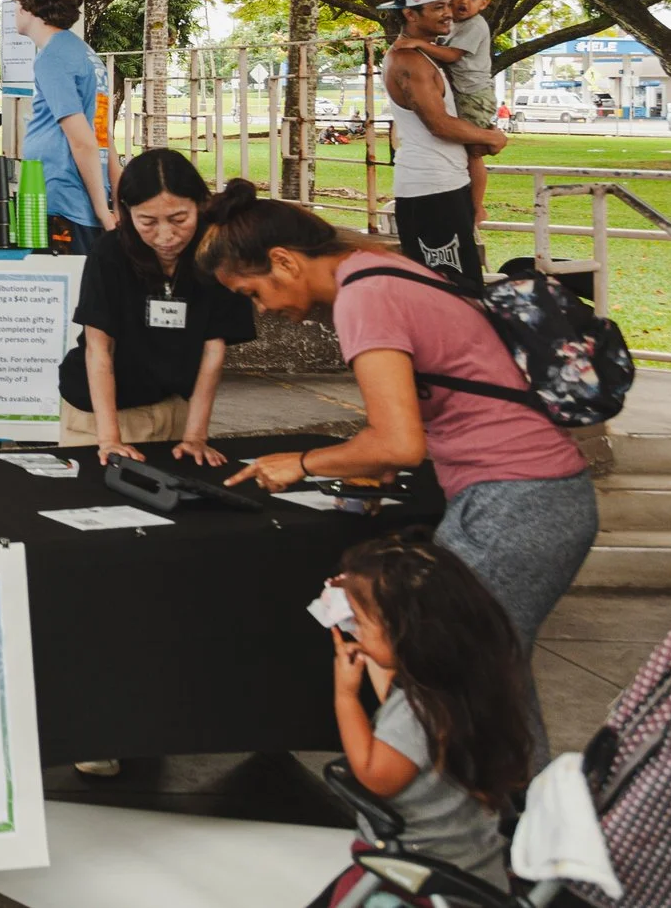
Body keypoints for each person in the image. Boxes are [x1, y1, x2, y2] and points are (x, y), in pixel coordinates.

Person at [207, 182, 594, 759]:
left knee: (458, 676)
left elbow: (397, 442)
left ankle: (491, 825)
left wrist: (303, 462)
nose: (261, 309)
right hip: (535, 495)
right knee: (492, 676)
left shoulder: (364, 296)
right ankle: (528, 825)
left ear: (284, 261)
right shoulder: (380, 268)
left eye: (252, 291)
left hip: (517, 502)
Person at [314, 532, 533, 903]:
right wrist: (353, 604)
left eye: (363, 626)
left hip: (415, 872)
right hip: (472, 862)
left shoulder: (416, 711)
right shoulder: (458, 686)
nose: (358, 635)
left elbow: (376, 776)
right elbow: (392, 682)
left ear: (405, 636)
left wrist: (345, 696)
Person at [61, 147, 250, 466]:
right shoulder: (110, 253)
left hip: (173, 410)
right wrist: (108, 440)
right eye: (147, 221)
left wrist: (196, 437)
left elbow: (213, 350)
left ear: (200, 205)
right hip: (97, 416)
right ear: (126, 212)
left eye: (179, 219)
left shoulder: (219, 253)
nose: (166, 236)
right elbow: (98, 349)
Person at [383, 0, 507, 290]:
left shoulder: (423, 54)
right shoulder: (409, 60)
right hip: (432, 192)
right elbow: (438, 124)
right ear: (411, 14)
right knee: (453, 294)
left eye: (447, 5)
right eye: (438, 7)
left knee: (463, 289)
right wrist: (490, 137)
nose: (449, 12)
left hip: (445, 187)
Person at [12, 0, 112, 252]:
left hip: (63, 202)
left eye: (18, 3)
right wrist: (109, 202)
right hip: (83, 203)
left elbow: (82, 140)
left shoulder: (52, 57)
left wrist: (103, 212)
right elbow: (104, 135)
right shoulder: (84, 53)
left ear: (31, 6)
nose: (15, 11)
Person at [442, 0, 497, 224]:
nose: (463, 1)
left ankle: (477, 207)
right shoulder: (450, 23)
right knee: (458, 150)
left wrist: (416, 45)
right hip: (460, 93)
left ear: (484, 3)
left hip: (474, 95)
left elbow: (451, 56)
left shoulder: (476, 25)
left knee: (473, 152)